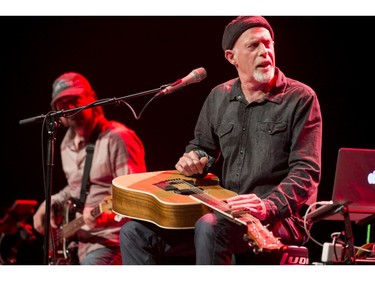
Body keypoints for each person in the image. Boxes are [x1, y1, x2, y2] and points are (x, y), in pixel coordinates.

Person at [120, 16, 322, 265]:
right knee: (134, 233)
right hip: (224, 210)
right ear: (231, 57)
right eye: (253, 46)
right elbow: (202, 147)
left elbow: (306, 172)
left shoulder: (300, 98)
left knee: (210, 227)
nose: (265, 52)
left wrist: (267, 206)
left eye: (268, 44)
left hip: (281, 217)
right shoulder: (219, 97)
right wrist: (194, 159)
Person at [33, 72, 147, 265]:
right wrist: (48, 202)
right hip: (79, 245)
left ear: (92, 99)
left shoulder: (118, 138)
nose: (68, 107)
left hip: (111, 243)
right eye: (61, 103)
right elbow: (75, 187)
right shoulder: (65, 145)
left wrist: (105, 217)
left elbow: (136, 197)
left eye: (74, 99)